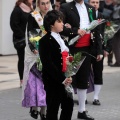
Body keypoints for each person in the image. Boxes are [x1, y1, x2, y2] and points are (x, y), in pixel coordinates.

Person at [60, 0, 103, 119]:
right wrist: (75, 31)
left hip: (87, 48)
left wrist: (99, 50)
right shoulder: (66, 7)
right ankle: (66, 109)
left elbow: (96, 30)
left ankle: (82, 111)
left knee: (83, 79)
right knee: (68, 79)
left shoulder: (90, 8)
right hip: (71, 49)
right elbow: (60, 27)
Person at [39, 10, 74, 120]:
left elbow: (69, 58)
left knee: (69, 105)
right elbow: (47, 63)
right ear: (51, 25)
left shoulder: (62, 38)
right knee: (53, 109)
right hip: (53, 80)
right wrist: (62, 79)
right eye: (59, 21)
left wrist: (70, 74)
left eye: (62, 21)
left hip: (65, 79)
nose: (62, 23)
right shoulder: (45, 41)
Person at [22, 0, 52, 119]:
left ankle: (44, 111)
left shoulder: (52, 15)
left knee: (46, 84)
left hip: (49, 52)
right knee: (35, 83)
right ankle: (34, 107)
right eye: (43, 3)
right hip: (35, 54)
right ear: (38, 4)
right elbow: (31, 33)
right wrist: (34, 47)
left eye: (47, 3)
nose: (45, 6)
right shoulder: (34, 16)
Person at [88, 0, 112, 105]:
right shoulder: (85, 15)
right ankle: (83, 95)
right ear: (88, 3)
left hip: (99, 49)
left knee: (98, 72)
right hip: (86, 48)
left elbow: (109, 33)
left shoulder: (103, 16)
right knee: (85, 74)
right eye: (92, 2)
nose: (95, 4)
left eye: (97, 2)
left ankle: (96, 97)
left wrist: (107, 49)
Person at [10, 0, 34, 88]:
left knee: (30, 59)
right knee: (22, 58)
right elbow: (14, 24)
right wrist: (23, 36)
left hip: (31, 39)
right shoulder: (18, 9)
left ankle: (30, 78)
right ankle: (22, 79)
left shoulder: (31, 8)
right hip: (21, 40)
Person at [110, 0, 120, 67]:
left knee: (116, 46)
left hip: (117, 28)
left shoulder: (117, 7)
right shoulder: (116, 6)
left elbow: (115, 17)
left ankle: (118, 62)